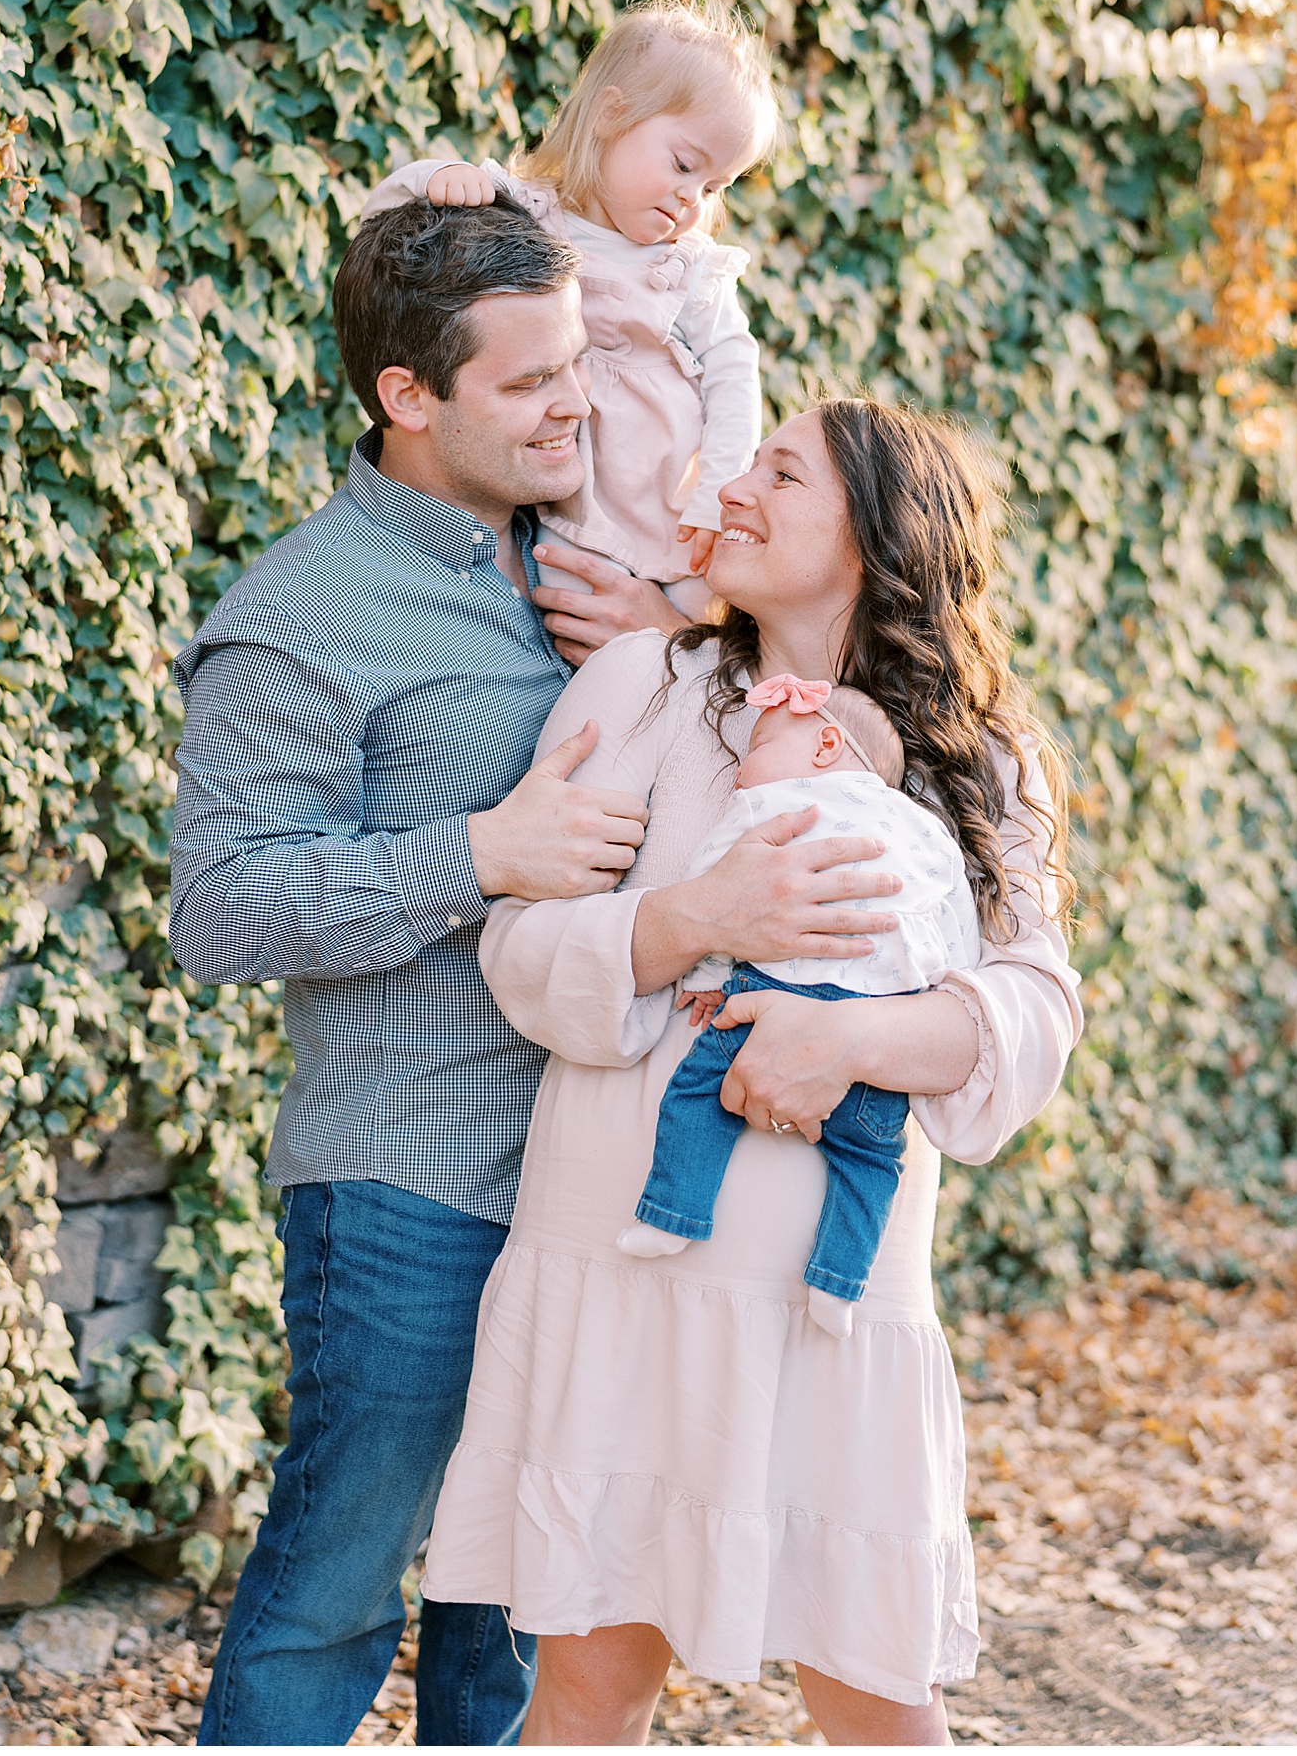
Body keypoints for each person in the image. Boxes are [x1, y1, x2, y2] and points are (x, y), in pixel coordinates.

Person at [168, 198, 899, 1748]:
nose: (578, 403)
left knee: (517, 1611)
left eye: (581, 362)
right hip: (413, 1184)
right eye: (531, 382)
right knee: (334, 1596)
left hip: (608, 1195)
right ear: (407, 396)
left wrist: (681, 628)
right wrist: (477, 852)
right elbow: (220, 914)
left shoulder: (609, 576)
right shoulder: (297, 618)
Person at [419, 398, 1084, 1748]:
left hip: (830, 1303)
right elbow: (525, 947)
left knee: (876, 1696)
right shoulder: (640, 687)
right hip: (624, 1267)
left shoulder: (981, 765)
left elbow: (1031, 1013)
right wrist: (701, 916)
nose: (736, 483)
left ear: (877, 535)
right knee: (590, 1684)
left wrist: (849, 1038)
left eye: (782, 470)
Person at [361, 0, 777, 626]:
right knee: (567, 633)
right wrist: (437, 176)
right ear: (612, 115)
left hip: (668, 509)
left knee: (701, 648)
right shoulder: (529, 214)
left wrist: (715, 496)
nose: (693, 198)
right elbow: (380, 234)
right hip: (565, 509)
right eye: (684, 164)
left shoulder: (688, 268)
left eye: (714, 186)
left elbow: (733, 380)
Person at [618, 672, 982, 1338]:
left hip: (773, 997)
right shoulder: (926, 830)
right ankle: (839, 1285)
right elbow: (954, 916)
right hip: (882, 1015)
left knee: (698, 1095)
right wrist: (934, 988)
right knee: (872, 1161)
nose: (739, 772)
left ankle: (671, 1214)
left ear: (823, 746)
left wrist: (705, 973)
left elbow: (719, 889)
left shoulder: (772, 809)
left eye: (755, 746)